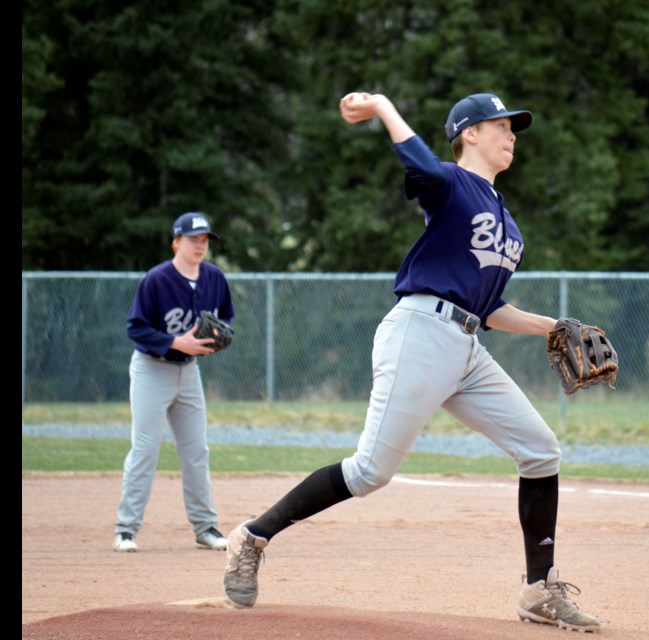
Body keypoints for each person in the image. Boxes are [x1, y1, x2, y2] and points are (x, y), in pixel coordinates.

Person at [222, 92, 601, 632]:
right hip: (420, 332)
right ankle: (252, 537)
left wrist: (553, 326)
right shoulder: (449, 182)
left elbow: (489, 306)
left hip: (467, 346)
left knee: (540, 450)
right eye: (501, 126)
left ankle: (539, 589)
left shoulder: (507, 223)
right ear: (469, 133)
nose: (512, 135)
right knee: (370, 472)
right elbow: (419, 163)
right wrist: (381, 106)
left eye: (514, 128)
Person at [113, 212, 234, 553]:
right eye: (194, 239)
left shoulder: (214, 277)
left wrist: (216, 339)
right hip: (153, 368)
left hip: (189, 372)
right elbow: (135, 327)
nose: (200, 245)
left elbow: (225, 318)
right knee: (145, 449)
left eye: (205, 239)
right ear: (176, 242)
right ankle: (126, 528)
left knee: (197, 451)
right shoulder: (157, 279)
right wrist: (175, 342)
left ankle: (205, 527)